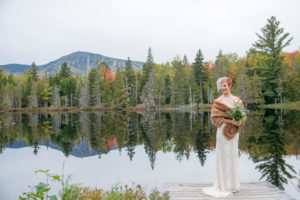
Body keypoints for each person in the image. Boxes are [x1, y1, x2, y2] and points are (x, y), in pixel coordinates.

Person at [202, 77, 246, 198]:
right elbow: (215, 118)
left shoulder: (237, 100)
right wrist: (230, 121)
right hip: (222, 131)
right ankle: (222, 185)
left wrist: (239, 122)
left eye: (225, 85)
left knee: (232, 156)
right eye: (221, 86)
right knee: (222, 156)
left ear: (230, 85)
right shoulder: (218, 101)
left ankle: (232, 185)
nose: (223, 88)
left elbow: (243, 115)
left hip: (234, 132)